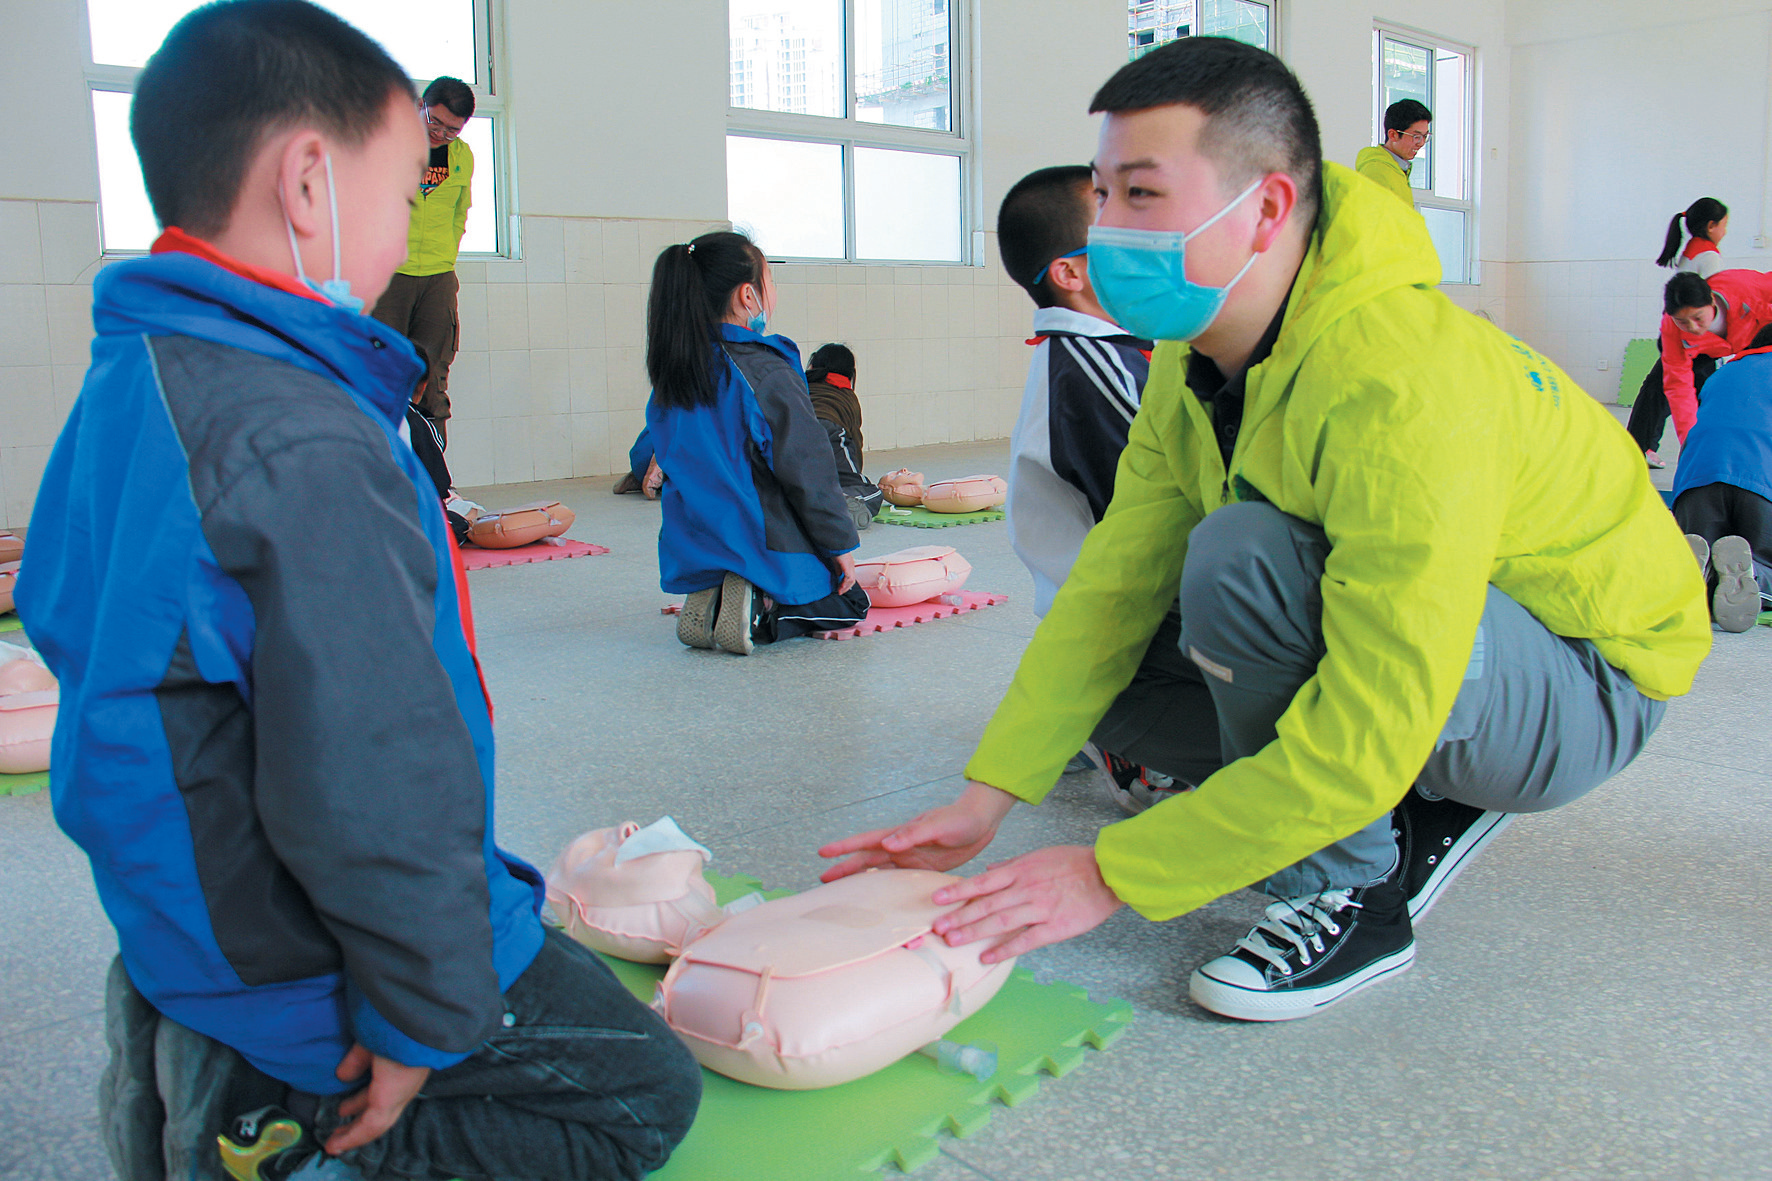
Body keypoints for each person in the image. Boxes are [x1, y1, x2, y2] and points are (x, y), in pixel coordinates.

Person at [819, 36, 1708, 1024]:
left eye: (1142, 194)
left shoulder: (1400, 381)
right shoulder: (1189, 352)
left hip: (1582, 677)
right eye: (1103, 194)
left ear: (1268, 208)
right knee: (1115, 691)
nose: (1108, 230)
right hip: (1459, 655)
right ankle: (1399, 804)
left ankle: (1354, 892)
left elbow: (1375, 704)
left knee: (1241, 558)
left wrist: (1111, 871)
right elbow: (1110, 586)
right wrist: (985, 797)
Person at [13, 4, 700, 1178]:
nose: (405, 226)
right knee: (643, 1096)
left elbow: (65, 610)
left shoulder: (142, 369)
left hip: (184, 903)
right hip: (301, 947)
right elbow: (370, 757)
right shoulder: (299, 435)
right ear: (307, 183)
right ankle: (280, 1127)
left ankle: (204, 1057)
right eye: (399, 191)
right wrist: (418, 1002)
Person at [996, 164, 1170, 804]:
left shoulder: (1096, 351)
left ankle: (1076, 708)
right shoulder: (1095, 368)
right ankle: (1117, 728)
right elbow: (1158, 502)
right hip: (1111, 617)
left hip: (1076, 605)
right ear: (1070, 273)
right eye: (1120, 228)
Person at [645, 231, 869, 655]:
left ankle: (718, 593)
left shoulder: (674, 375)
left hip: (695, 542)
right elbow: (807, 470)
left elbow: (653, 453)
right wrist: (839, 545)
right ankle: (761, 608)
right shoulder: (766, 371)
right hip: (761, 538)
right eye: (770, 281)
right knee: (851, 603)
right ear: (748, 295)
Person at [369, 75, 475, 447]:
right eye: (435, 122)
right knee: (380, 369)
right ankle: (379, 464)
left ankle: (433, 470)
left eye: (452, 130)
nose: (441, 134)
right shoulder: (384, 144)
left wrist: (446, 255)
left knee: (432, 376)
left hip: (438, 275)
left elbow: (460, 212)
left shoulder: (462, 156)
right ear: (420, 106)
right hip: (388, 274)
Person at [1671, 345, 1772, 631]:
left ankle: (1699, 574)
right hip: (1759, 483)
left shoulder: (1724, 372)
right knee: (1761, 559)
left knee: (1707, 546)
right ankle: (1754, 574)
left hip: (1696, 483)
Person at [1631, 198, 1733, 466]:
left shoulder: (1691, 249)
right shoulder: (1709, 256)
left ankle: (1641, 447)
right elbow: (1712, 300)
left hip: (1680, 333)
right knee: (1699, 397)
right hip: (1695, 340)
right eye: (1724, 225)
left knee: (1659, 391)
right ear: (1711, 226)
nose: (1725, 231)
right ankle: (1646, 448)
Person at [1638, 269, 1772, 455]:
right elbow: (1678, 386)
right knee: (1658, 383)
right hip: (1707, 348)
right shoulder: (1672, 327)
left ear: (1711, 300)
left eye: (1697, 317)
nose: (1692, 327)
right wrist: (1690, 442)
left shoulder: (1750, 287)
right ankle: (1639, 450)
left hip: (1759, 334)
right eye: (1682, 321)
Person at [805, 343, 883, 529]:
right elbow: (854, 443)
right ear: (850, 373)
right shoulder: (846, 396)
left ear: (813, 366)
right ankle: (842, 503)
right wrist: (853, 476)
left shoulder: (800, 385)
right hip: (827, 430)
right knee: (872, 493)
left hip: (789, 433)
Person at [1355, 98, 1430, 209]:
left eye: (1425, 136)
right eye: (1416, 136)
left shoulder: (1398, 170)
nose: (1421, 143)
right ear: (1393, 135)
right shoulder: (1377, 171)